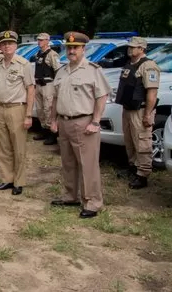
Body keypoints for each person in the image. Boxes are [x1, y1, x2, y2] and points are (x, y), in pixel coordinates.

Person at [50, 32, 111, 218]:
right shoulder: (61, 71)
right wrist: (53, 120)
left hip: (84, 122)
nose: (71, 51)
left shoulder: (93, 70)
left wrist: (95, 121)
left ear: (83, 49)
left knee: (88, 164)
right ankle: (70, 196)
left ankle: (92, 202)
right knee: (68, 163)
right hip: (64, 122)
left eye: (75, 47)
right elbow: (55, 98)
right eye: (69, 48)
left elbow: (102, 96)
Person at [0, 30, 35, 195]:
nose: (7, 46)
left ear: (16, 45)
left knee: (18, 147)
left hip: (17, 108)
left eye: (10, 43)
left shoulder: (23, 64)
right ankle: (7, 179)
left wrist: (28, 114)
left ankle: (19, 181)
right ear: (0, 46)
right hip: (1, 108)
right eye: (4, 44)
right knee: (4, 147)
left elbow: (31, 89)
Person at [115, 36, 160, 189]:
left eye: (133, 47)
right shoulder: (130, 64)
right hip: (128, 109)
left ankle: (143, 174)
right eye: (129, 46)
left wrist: (148, 114)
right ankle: (133, 167)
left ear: (142, 49)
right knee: (130, 142)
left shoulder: (148, 66)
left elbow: (152, 93)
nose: (130, 49)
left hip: (140, 111)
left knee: (142, 142)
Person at [33, 33, 61, 145]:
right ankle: (43, 130)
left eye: (41, 40)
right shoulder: (38, 54)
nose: (39, 42)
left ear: (47, 41)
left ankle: (52, 134)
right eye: (38, 40)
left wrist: (57, 86)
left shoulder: (52, 55)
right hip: (38, 84)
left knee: (48, 108)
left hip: (48, 84)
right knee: (40, 109)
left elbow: (57, 70)